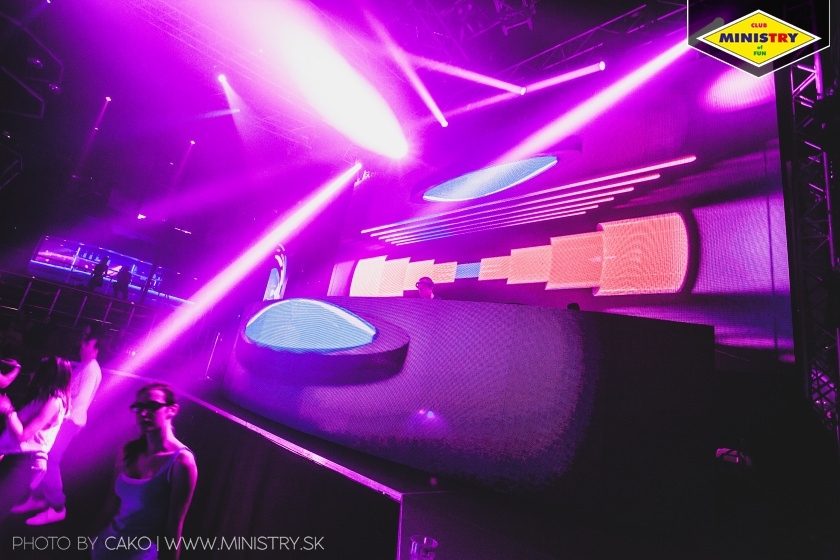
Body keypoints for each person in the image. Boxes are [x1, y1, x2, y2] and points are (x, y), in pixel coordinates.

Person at [92, 383, 198, 560]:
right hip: (102, 549)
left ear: (172, 410)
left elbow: (174, 527)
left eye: (152, 406)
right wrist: (86, 543)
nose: (143, 413)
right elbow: (110, 504)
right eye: (139, 407)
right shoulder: (128, 451)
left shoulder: (182, 462)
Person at [19, 333, 103, 525]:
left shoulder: (91, 369)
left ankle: (58, 508)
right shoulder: (85, 366)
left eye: (87, 344)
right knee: (42, 455)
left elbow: (79, 400)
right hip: (67, 420)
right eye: (83, 343)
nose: (82, 346)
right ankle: (38, 498)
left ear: (96, 350)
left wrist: (56, 407)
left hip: (69, 421)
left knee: (50, 459)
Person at [0, 356, 71, 523]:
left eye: (39, 371)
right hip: (15, 457)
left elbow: (23, 436)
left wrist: (8, 410)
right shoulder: (43, 397)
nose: (33, 373)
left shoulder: (55, 401)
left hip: (24, 462)